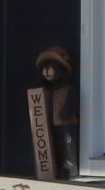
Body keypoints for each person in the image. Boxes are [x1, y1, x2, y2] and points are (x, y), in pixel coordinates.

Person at [34, 45, 79, 181]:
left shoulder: (67, 89)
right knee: (51, 148)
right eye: (44, 69)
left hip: (64, 125)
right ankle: (51, 170)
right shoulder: (45, 91)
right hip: (48, 125)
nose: (46, 72)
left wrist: (66, 112)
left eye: (50, 68)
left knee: (67, 146)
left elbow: (70, 105)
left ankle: (70, 171)